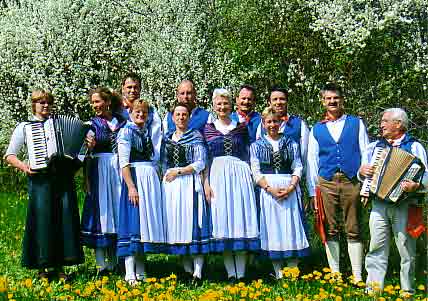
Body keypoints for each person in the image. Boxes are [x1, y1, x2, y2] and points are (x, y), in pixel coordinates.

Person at [4, 90, 84, 279]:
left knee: (64, 219)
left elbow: (79, 147)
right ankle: (42, 267)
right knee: (42, 220)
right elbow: (10, 155)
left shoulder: (58, 123)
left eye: (48, 103)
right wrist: (25, 167)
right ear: (34, 105)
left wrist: (86, 143)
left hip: (63, 178)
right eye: (41, 103)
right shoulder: (25, 127)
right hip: (40, 179)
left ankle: (60, 267)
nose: (45, 106)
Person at [359, 108, 428, 295]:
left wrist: (415, 186)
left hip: (405, 205)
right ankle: (373, 291)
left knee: (406, 249)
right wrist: (361, 173)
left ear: (398, 124)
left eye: (385, 120)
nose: (381, 124)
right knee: (376, 246)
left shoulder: (414, 147)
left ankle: (408, 291)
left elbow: (426, 177)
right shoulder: (375, 147)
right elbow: (364, 174)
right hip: (379, 205)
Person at [306, 83, 369, 283]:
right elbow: (311, 162)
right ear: (323, 102)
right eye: (329, 98)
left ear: (342, 100)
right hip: (326, 182)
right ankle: (336, 274)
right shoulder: (317, 128)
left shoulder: (356, 123)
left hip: (352, 181)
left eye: (336, 98)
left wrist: (366, 186)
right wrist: (312, 191)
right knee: (330, 228)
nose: (333, 101)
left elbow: (366, 154)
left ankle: (358, 275)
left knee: (354, 227)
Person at [203, 88, 259, 281]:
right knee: (223, 219)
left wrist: (252, 177)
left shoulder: (241, 127)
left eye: (225, 103)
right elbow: (205, 158)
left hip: (239, 174)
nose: (222, 107)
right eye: (219, 103)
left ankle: (242, 273)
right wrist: (206, 183)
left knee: (240, 219)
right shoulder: (208, 128)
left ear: (231, 105)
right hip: (217, 174)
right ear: (214, 106)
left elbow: (249, 153)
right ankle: (231, 273)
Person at [250, 107, 310, 279]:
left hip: (289, 187)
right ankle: (278, 273)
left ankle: (293, 271)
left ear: (281, 122)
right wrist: (269, 189)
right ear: (263, 123)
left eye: (275, 121)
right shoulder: (256, 146)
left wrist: (291, 187)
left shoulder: (291, 143)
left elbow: (297, 166)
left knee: (291, 226)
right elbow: (255, 171)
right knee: (273, 228)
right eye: (268, 121)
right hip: (268, 190)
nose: (272, 125)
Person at [117, 99, 165, 285]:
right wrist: (131, 186)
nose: (140, 115)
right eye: (137, 112)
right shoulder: (126, 131)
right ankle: (130, 271)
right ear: (130, 113)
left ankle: (141, 267)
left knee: (143, 224)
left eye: (144, 112)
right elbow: (124, 162)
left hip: (148, 179)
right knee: (133, 222)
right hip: (135, 178)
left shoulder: (146, 132)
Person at [162, 103, 211, 281]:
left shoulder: (196, 136)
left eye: (184, 114)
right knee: (176, 223)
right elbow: (163, 162)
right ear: (173, 117)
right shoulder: (167, 138)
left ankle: (198, 271)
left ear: (189, 117)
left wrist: (179, 171)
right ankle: (186, 268)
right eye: (178, 114)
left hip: (189, 183)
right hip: (171, 186)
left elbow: (201, 162)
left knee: (193, 223)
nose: (181, 117)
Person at [80, 87, 127, 274]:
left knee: (117, 212)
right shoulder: (90, 125)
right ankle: (101, 265)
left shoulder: (123, 122)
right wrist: (86, 177)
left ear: (107, 102)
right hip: (99, 169)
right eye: (93, 102)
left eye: (98, 101)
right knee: (102, 213)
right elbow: (84, 154)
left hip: (119, 169)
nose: (95, 106)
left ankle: (116, 261)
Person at [256, 87, 309, 161]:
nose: (278, 102)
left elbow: (305, 155)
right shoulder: (262, 125)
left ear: (287, 101)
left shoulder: (300, 125)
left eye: (282, 99)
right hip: (267, 172)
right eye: (275, 99)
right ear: (269, 103)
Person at [120, 73, 162, 162]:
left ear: (140, 89)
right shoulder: (116, 111)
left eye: (136, 87)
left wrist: (155, 161)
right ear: (123, 88)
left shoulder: (151, 111)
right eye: (129, 87)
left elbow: (156, 137)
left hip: (145, 161)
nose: (132, 90)